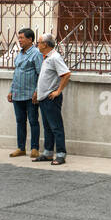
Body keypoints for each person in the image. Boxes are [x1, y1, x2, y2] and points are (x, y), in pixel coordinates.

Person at [32, 32, 71, 165]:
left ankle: (61, 154)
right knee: (48, 127)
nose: (37, 44)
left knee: (56, 127)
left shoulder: (55, 57)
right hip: (43, 98)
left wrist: (58, 91)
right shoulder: (46, 57)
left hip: (51, 98)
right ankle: (48, 153)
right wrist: (38, 92)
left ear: (46, 44)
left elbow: (66, 74)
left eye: (39, 42)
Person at [6, 28, 42, 158]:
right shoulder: (20, 54)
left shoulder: (36, 54)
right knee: (20, 121)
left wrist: (37, 92)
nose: (19, 40)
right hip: (17, 94)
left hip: (30, 95)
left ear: (30, 39)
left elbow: (41, 74)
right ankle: (21, 148)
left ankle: (34, 148)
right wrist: (11, 91)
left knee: (33, 121)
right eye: (19, 38)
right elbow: (16, 74)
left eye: (22, 38)